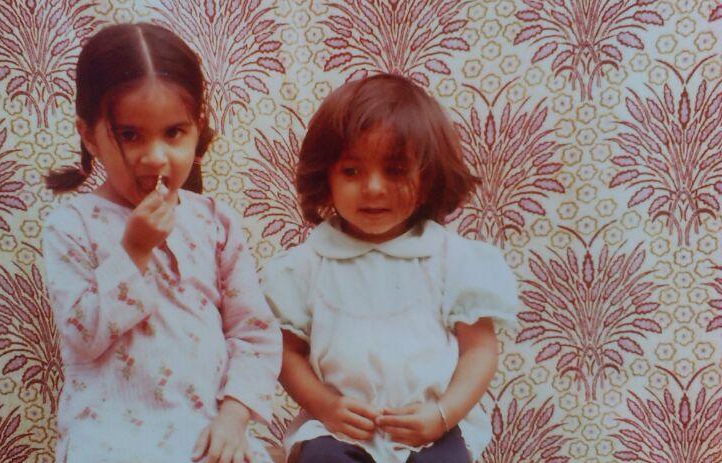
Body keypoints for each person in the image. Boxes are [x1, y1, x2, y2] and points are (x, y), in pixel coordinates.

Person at [42, 23, 281, 463]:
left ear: (197, 130)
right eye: (130, 134)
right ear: (89, 135)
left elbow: (254, 333)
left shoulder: (215, 223)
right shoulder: (72, 226)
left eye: (173, 133)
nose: (155, 157)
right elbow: (82, 337)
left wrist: (233, 417)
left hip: (208, 432)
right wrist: (133, 252)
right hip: (109, 439)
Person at [261, 74, 519, 463]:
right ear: (325, 177)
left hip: (429, 426)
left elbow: (479, 350)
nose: (374, 188)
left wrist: (443, 414)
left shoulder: (453, 259)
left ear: (427, 178)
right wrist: (325, 405)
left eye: (395, 171)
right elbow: (287, 352)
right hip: (338, 429)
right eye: (351, 171)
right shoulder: (304, 266)